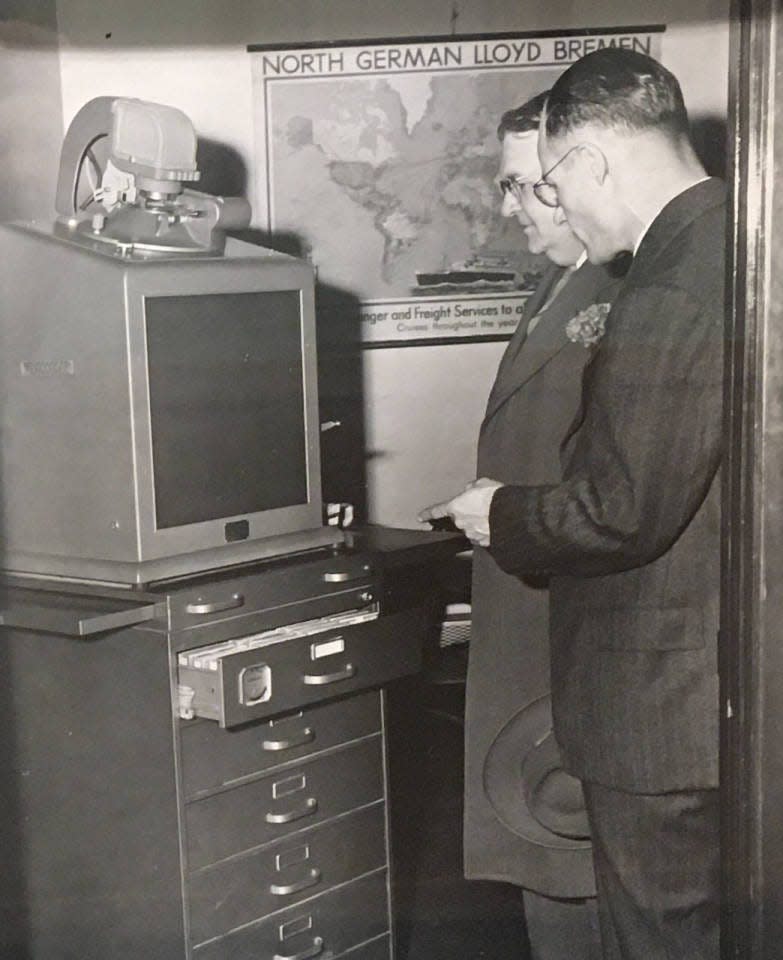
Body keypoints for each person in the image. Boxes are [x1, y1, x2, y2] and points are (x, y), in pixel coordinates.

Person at [421, 48, 724, 960]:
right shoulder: (728, 245)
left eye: (549, 180)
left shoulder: (668, 287)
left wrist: (501, 515)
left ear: (588, 162)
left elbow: (619, 511)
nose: (547, 209)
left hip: (659, 711)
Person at [456, 91, 625, 960]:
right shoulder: (555, 283)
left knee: (577, 875)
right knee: (544, 864)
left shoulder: (624, 292)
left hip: (569, 640)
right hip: (525, 622)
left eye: (525, 186)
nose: (510, 206)